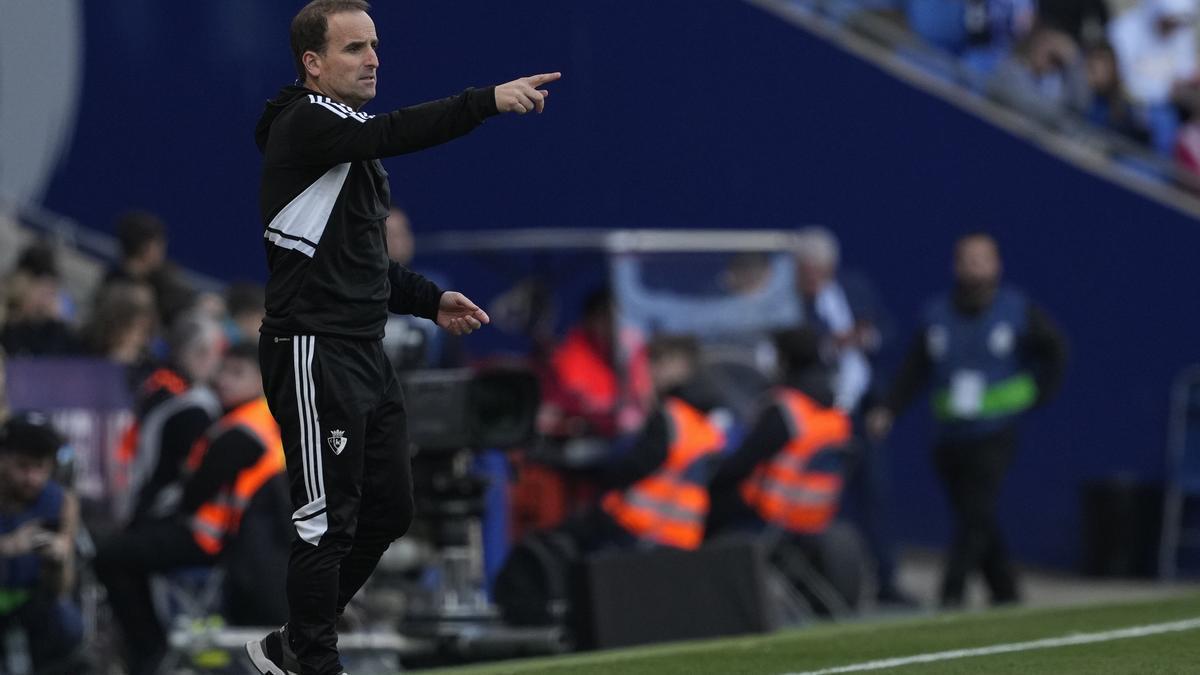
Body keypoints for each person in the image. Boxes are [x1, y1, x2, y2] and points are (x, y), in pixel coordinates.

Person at [247, 2, 558, 672]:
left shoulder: (343, 138)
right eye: (355, 48)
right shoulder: (309, 121)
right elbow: (397, 131)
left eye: (375, 46)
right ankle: (313, 657)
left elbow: (364, 264)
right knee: (324, 520)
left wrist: (428, 299)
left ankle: (293, 643)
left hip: (362, 347)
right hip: (313, 346)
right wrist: (486, 101)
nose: (373, 59)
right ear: (313, 63)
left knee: (390, 507)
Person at [867, 233, 1067, 608]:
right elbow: (915, 369)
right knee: (976, 516)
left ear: (997, 265)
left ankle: (950, 595)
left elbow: (1057, 352)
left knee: (975, 513)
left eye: (982, 260)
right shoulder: (936, 314)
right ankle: (1005, 591)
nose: (975, 269)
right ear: (955, 265)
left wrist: (1038, 394)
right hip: (949, 435)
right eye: (967, 260)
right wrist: (889, 409)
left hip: (995, 432)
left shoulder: (1016, 310)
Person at [95, 343, 286, 674]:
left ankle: (149, 650)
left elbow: (194, 493)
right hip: (242, 543)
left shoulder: (242, 430)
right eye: (223, 370)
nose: (223, 380)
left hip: (211, 540)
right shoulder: (261, 419)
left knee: (110, 556)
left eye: (237, 373)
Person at [707, 328, 852, 540]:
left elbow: (742, 464)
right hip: (815, 513)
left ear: (783, 359)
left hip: (771, 511)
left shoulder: (787, 410)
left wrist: (710, 476)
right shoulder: (835, 413)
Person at [116, 311, 224, 526]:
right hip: (156, 508)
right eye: (215, 353)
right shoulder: (190, 404)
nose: (218, 362)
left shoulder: (158, 381)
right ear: (199, 353)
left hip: (135, 494)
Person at [0, 412, 86, 672]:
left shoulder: (61, 502)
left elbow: (62, 588)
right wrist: (8, 546)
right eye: (23, 466)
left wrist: (59, 559)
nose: (33, 478)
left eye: (41, 468)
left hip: (31, 603)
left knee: (69, 625)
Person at [98, 210, 196, 326]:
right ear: (146, 247)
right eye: (159, 243)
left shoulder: (164, 279)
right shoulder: (114, 283)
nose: (163, 249)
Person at [1, 243, 81, 357]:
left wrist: (57, 324)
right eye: (42, 291)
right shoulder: (8, 319)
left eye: (50, 292)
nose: (45, 300)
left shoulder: (54, 326)